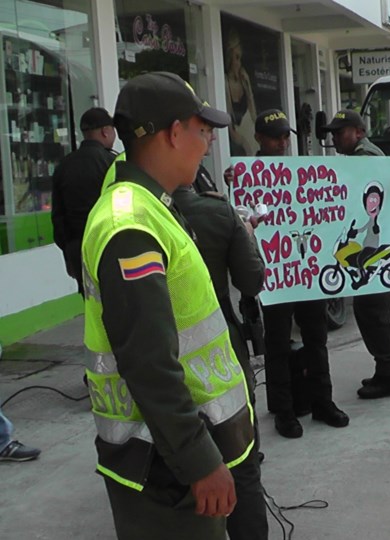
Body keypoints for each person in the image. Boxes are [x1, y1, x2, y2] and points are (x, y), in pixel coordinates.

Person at [81, 71, 254, 539]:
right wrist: (199, 462)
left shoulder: (151, 205)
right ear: (174, 133)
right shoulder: (130, 224)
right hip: (162, 467)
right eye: (203, 131)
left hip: (167, 456)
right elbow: (148, 361)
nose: (208, 143)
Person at [172, 169, 267, 539]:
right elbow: (252, 279)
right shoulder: (217, 213)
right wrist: (248, 236)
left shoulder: (126, 216)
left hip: (161, 362)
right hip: (219, 350)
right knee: (240, 460)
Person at [255, 109, 349, 435]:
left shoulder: (301, 171)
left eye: (285, 137)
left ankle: (322, 401)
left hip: (308, 271)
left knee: (316, 339)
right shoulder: (247, 176)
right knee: (278, 343)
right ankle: (284, 410)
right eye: (275, 137)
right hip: (276, 274)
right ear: (259, 139)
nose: (281, 143)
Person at [320, 110, 390, 400]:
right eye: (332, 132)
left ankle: (388, 372)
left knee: (370, 308)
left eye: (340, 131)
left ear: (358, 132)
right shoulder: (369, 154)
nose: (334, 137)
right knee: (386, 309)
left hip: (375, 241)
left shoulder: (363, 158)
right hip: (382, 241)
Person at [51, 107, 118, 293]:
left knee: (91, 303)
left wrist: (69, 252)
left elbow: (58, 216)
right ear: (106, 131)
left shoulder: (64, 166)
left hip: (77, 248)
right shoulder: (113, 163)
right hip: (109, 245)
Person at [225, 30, 257, 156]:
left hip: (249, 131)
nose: (239, 63)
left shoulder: (243, 81)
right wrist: (244, 142)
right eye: (236, 58)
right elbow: (229, 120)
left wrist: (248, 88)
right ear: (230, 58)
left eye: (240, 58)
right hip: (237, 135)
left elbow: (254, 116)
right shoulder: (225, 82)